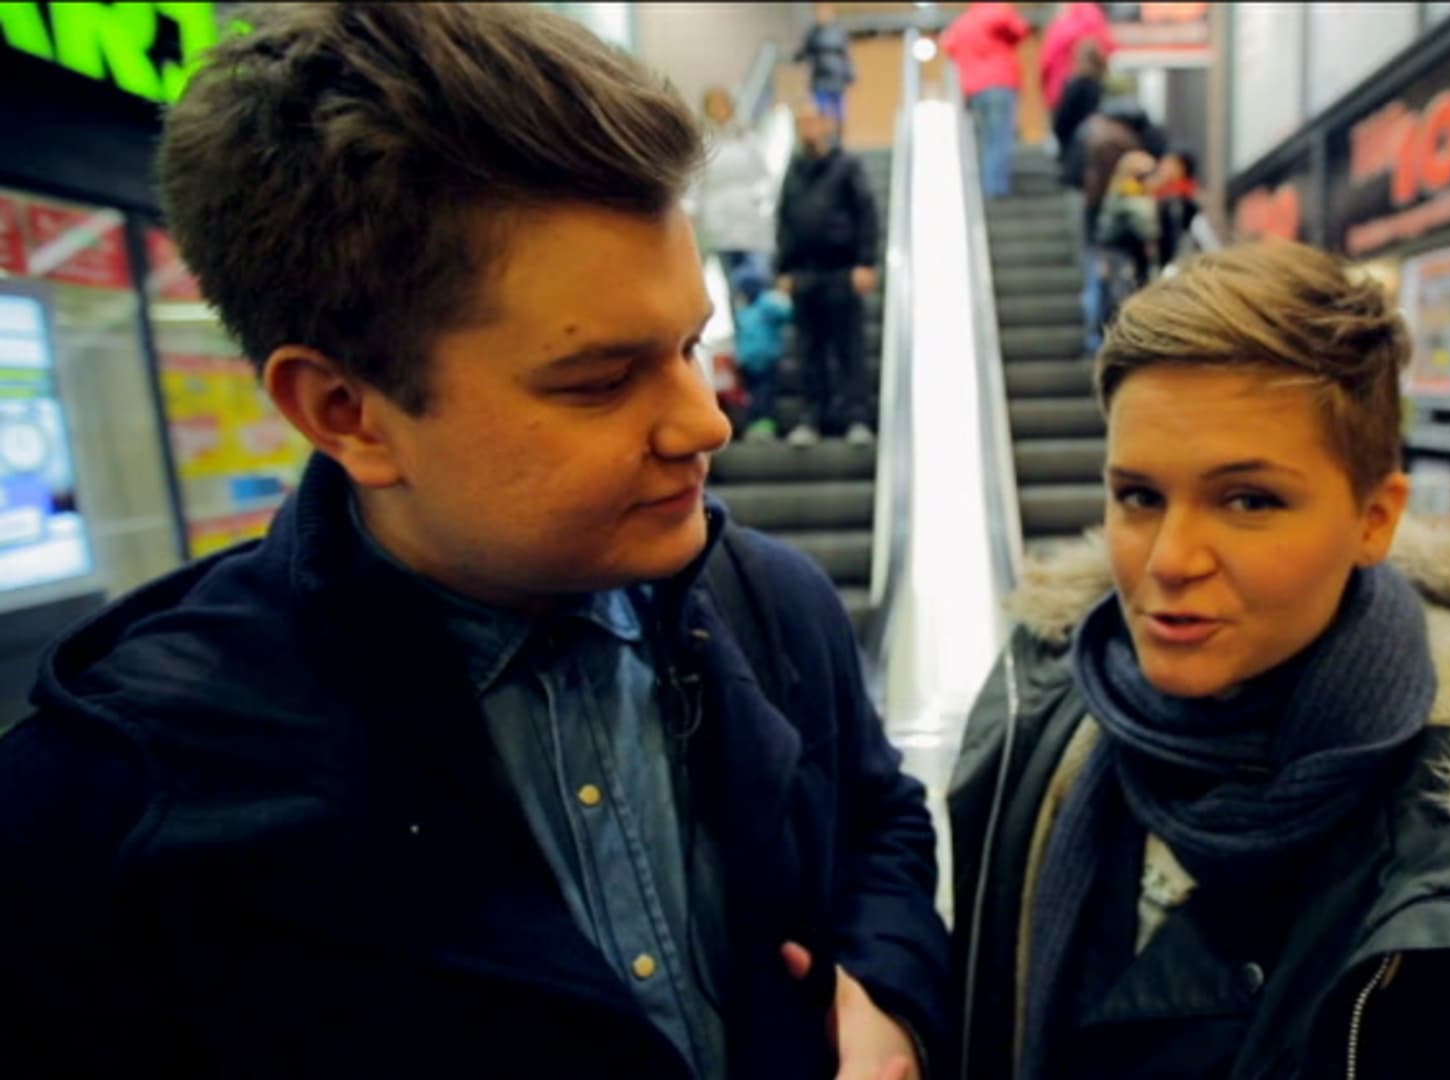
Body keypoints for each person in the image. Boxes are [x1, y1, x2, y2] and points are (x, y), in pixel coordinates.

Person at [0, 6, 948, 1078]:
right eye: (601, 380)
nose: (706, 424)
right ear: (346, 412)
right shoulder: (108, 807)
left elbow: (879, 825)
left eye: (689, 345)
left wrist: (891, 1002)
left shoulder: (774, 603)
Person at [948, 242, 1450, 1079]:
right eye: (1139, 496)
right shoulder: (1042, 712)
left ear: (1375, 519)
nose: (1169, 559)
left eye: (1249, 500)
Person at [775, 101, 879, 447]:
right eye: (802, 122)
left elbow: (866, 213)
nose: (808, 127)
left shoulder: (847, 166)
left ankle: (857, 417)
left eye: (813, 121)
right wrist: (784, 267)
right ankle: (812, 417)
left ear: (827, 124)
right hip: (805, 274)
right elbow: (784, 220)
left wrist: (865, 262)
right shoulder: (794, 170)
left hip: (842, 270)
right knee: (809, 350)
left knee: (849, 348)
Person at [941, 2, 1032, 200]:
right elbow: (1021, 30)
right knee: (1000, 138)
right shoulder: (999, 12)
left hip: (974, 89)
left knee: (987, 138)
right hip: (1000, 83)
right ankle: (996, 189)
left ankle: (988, 186)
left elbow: (948, 45)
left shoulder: (963, 22)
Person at [693, 86, 776, 286]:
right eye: (714, 105)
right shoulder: (702, 146)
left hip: (751, 227)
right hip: (718, 229)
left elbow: (765, 178)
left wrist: (758, 200)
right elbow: (694, 188)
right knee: (730, 285)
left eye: (724, 104)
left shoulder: (749, 141)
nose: (720, 110)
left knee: (758, 282)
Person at [1092, 149, 1160, 321]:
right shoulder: (1129, 192)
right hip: (1121, 256)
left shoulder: (1122, 190)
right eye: (1147, 175)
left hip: (1124, 255)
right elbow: (1147, 227)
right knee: (1121, 300)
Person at [731, 261, 793, 443]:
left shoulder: (767, 304)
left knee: (766, 393)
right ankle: (753, 425)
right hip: (748, 362)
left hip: (767, 359)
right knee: (751, 396)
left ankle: (766, 426)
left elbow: (786, 314)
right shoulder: (743, 308)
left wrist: (782, 296)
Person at [1040, 1, 1114, 112]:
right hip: (1088, 88)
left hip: (1058, 90)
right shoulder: (1094, 18)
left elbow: (1046, 62)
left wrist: (1045, 87)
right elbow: (1107, 47)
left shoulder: (1060, 25)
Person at [1051, 37, 1107, 178]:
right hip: (1091, 144)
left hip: (1074, 144)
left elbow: (1063, 118)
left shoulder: (1076, 86)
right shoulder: (1098, 85)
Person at [795, 2, 855, 131]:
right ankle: (825, 134)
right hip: (820, 79)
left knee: (839, 113)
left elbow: (846, 56)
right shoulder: (812, 33)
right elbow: (805, 51)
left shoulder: (839, 32)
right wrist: (798, 57)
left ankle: (838, 135)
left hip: (836, 78)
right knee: (822, 112)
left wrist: (850, 74)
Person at [1149, 148, 1200, 269]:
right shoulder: (1163, 195)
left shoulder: (1178, 199)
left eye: (1168, 164)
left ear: (1180, 169)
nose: (1161, 167)